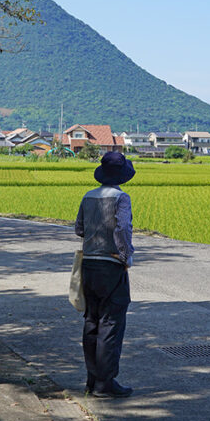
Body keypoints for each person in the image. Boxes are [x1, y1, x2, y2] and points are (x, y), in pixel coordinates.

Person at [75, 151, 135, 398]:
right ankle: (105, 383)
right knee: (111, 323)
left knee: (92, 321)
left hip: (89, 265)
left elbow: (79, 228)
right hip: (111, 265)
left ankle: (92, 380)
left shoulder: (88, 197)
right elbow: (122, 229)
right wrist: (125, 256)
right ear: (121, 175)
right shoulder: (121, 198)